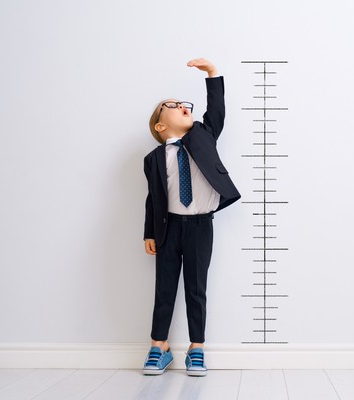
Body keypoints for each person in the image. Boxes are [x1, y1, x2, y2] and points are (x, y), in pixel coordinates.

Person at [141, 58, 240, 376]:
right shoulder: (154, 158)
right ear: (160, 125)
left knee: (196, 288)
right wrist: (149, 233)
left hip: (200, 227)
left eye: (184, 103)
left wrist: (212, 75)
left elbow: (216, 111)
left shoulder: (203, 136)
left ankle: (197, 348)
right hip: (169, 229)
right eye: (172, 105)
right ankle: (159, 346)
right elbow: (153, 198)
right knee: (164, 288)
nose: (182, 105)